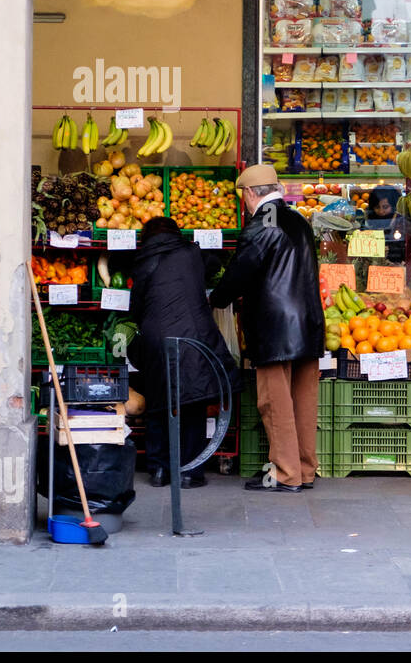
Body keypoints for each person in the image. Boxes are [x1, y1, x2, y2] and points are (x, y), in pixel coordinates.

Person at [210, 165, 325, 492]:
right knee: (304, 400)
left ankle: (286, 473)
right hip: (309, 323)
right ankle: (304, 469)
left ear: (249, 194)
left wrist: (217, 298)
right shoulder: (299, 220)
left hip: (277, 328)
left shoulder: (264, 222)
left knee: (275, 401)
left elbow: (241, 272)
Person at [128, 216, 241, 488]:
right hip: (193, 336)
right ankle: (190, 472)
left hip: (156, 339)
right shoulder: (192, 252)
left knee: (158, 401)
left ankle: (158, 469)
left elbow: (135, 308)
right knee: (193, 401)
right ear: (176, 234)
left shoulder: (142, 262)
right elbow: (214, 264)